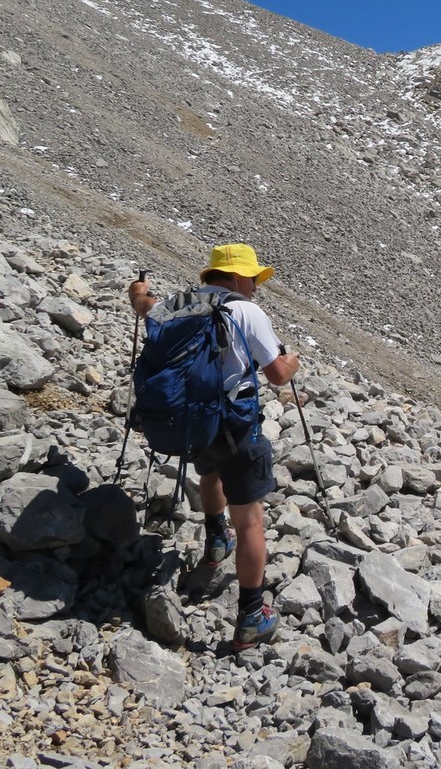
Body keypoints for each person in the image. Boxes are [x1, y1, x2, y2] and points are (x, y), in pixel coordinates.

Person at [128, 243, 299, 649]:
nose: (257, 286)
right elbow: (276, 375)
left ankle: (214, 541)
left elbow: (143, 307)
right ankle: (251, 616)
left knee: (209, 471)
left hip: (195, 421)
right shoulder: (247, 311)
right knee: (251, 521)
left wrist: (137, 290)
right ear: (238, 277)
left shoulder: (179, 303)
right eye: (254, 279)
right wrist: (294, 361)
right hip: (236, 427)